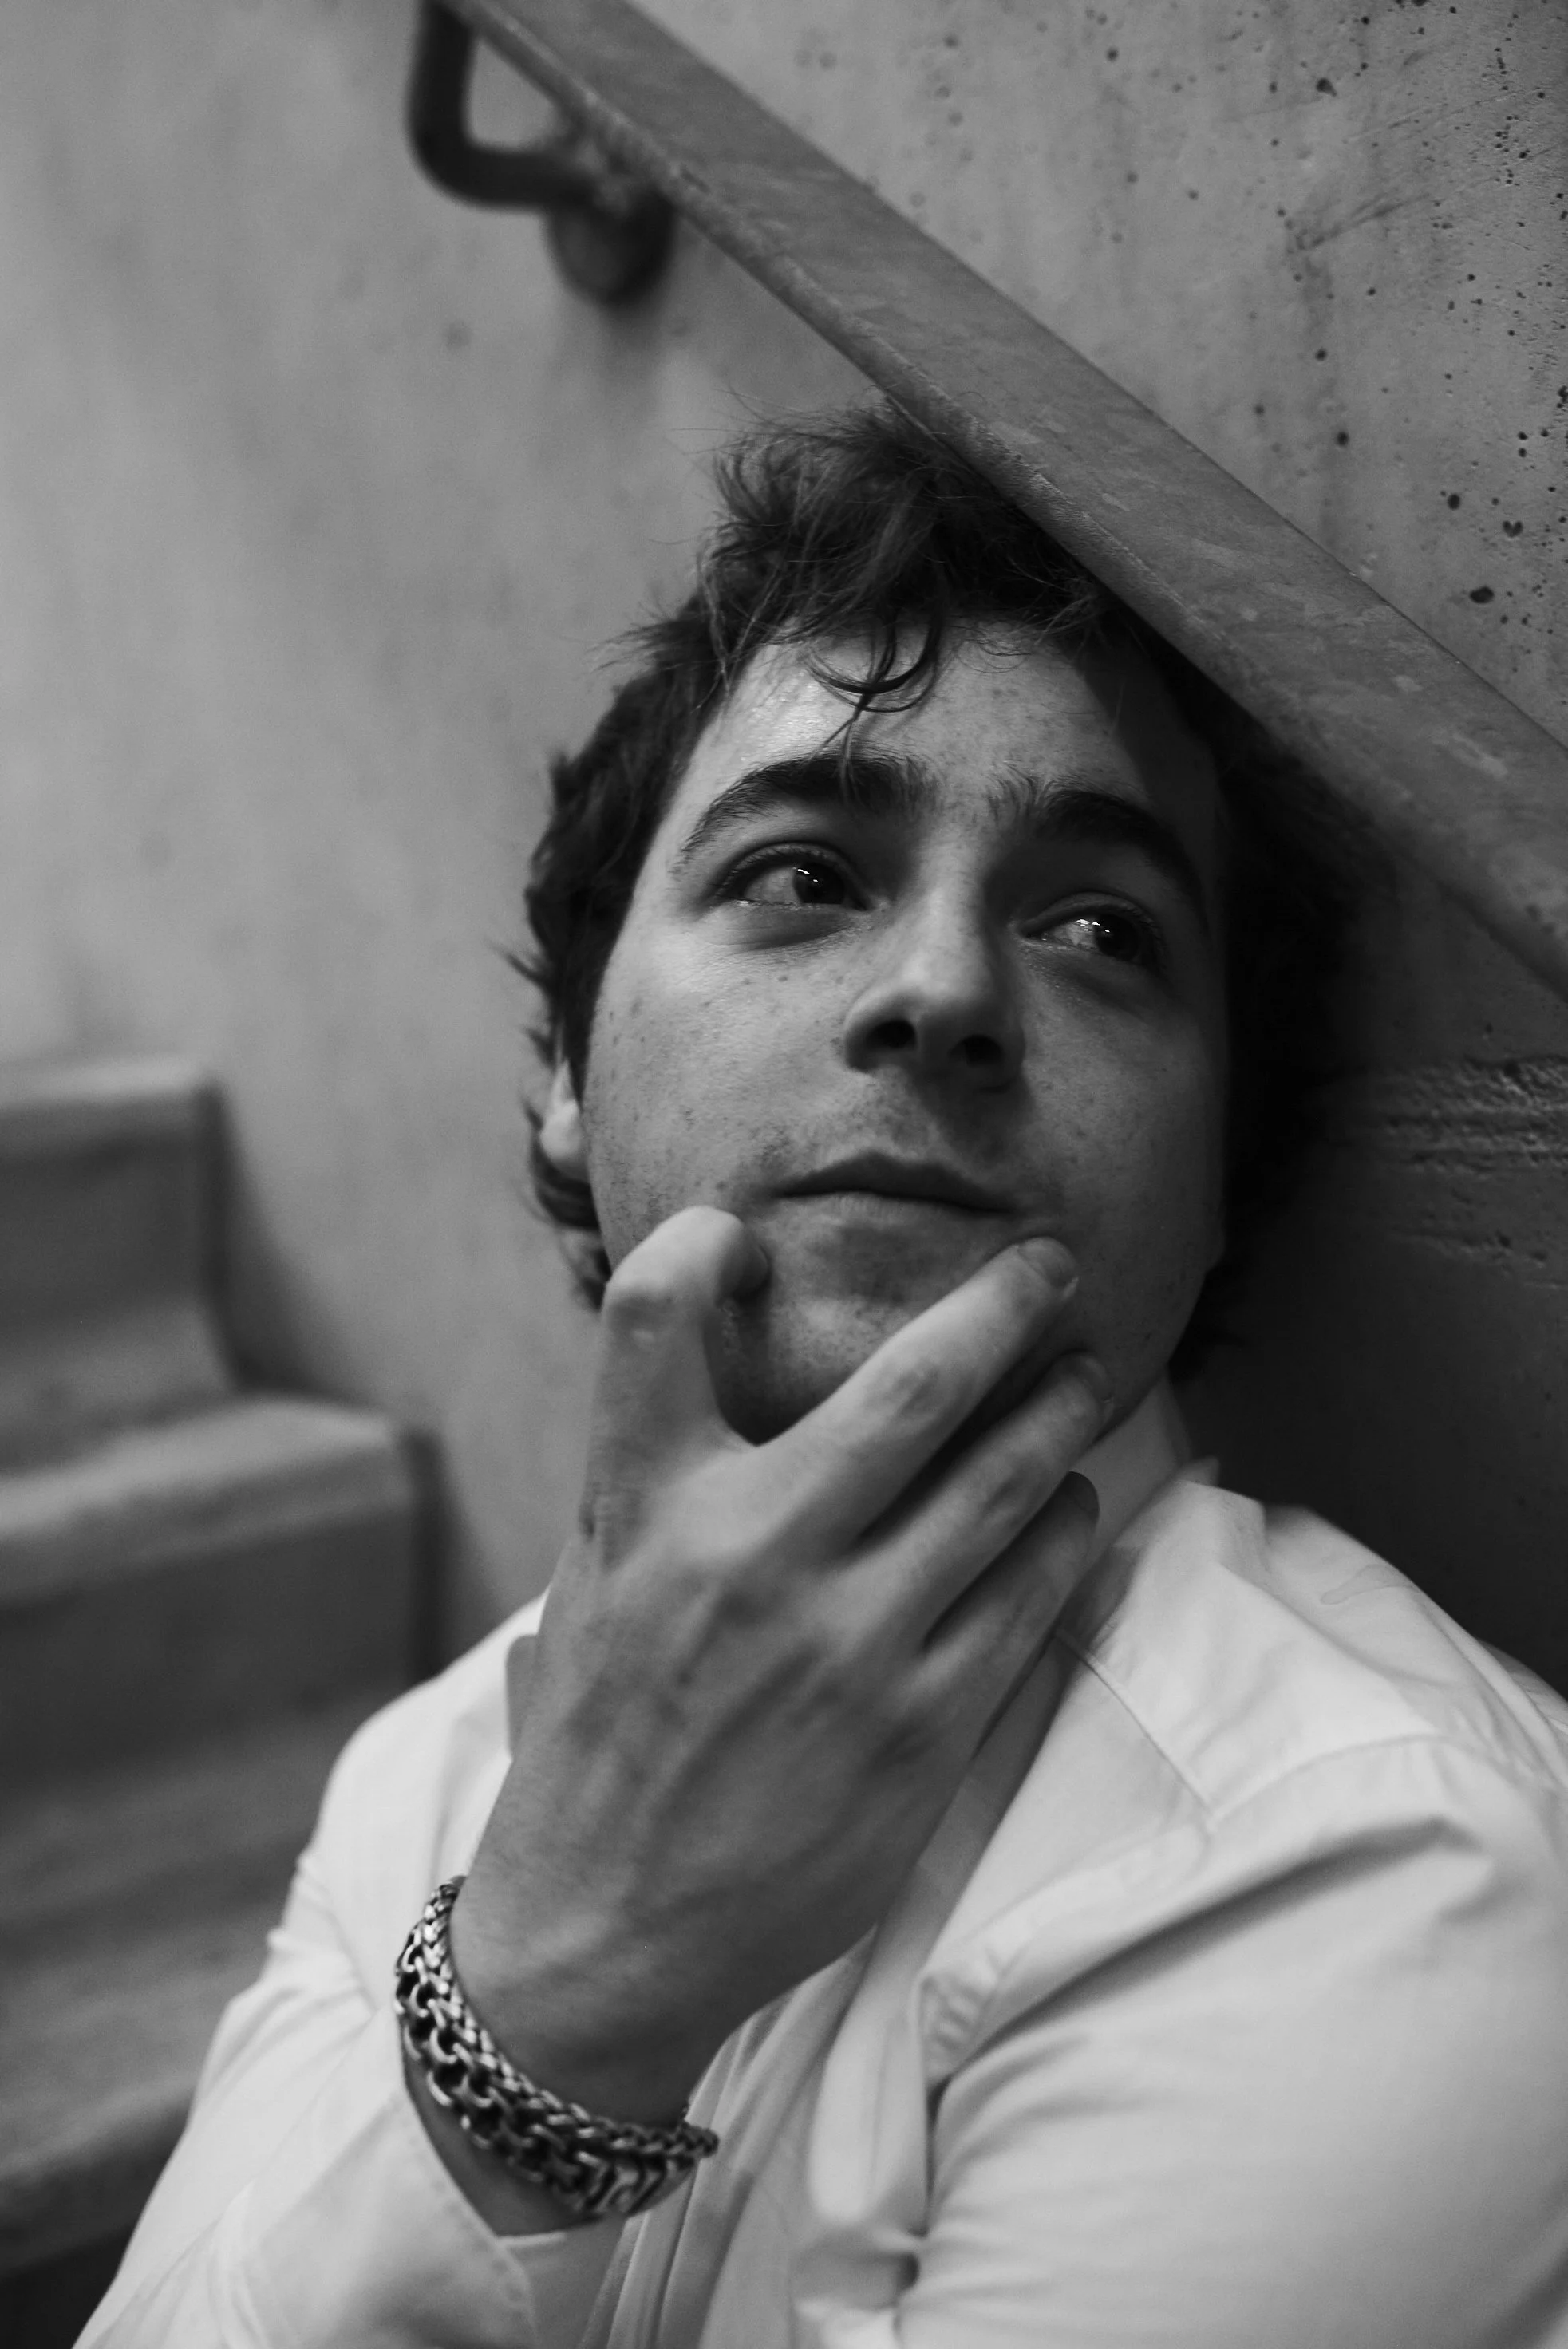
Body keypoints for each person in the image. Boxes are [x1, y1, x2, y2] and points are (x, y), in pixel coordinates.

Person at [85, 410, 1568, 2347]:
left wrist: (572, 1981)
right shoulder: (429, 1771)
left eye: (1100, 928)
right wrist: (545, 1975)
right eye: (799, 873)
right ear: (567, 1076)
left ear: (1215, 1176)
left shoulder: (1370, 1851)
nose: (945, 983)